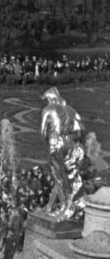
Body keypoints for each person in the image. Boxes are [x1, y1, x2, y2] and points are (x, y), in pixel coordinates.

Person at [40, 87, 87, 220]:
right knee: (72, 174)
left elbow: (43, 132)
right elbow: (81, 129)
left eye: (47, 100)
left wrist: (50, 142)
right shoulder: (71, 110)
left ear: (50, 99)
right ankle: (76, 204)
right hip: (72, 142)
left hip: (56, 143)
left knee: (59, 176)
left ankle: (66, 207)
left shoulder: (48, 110)